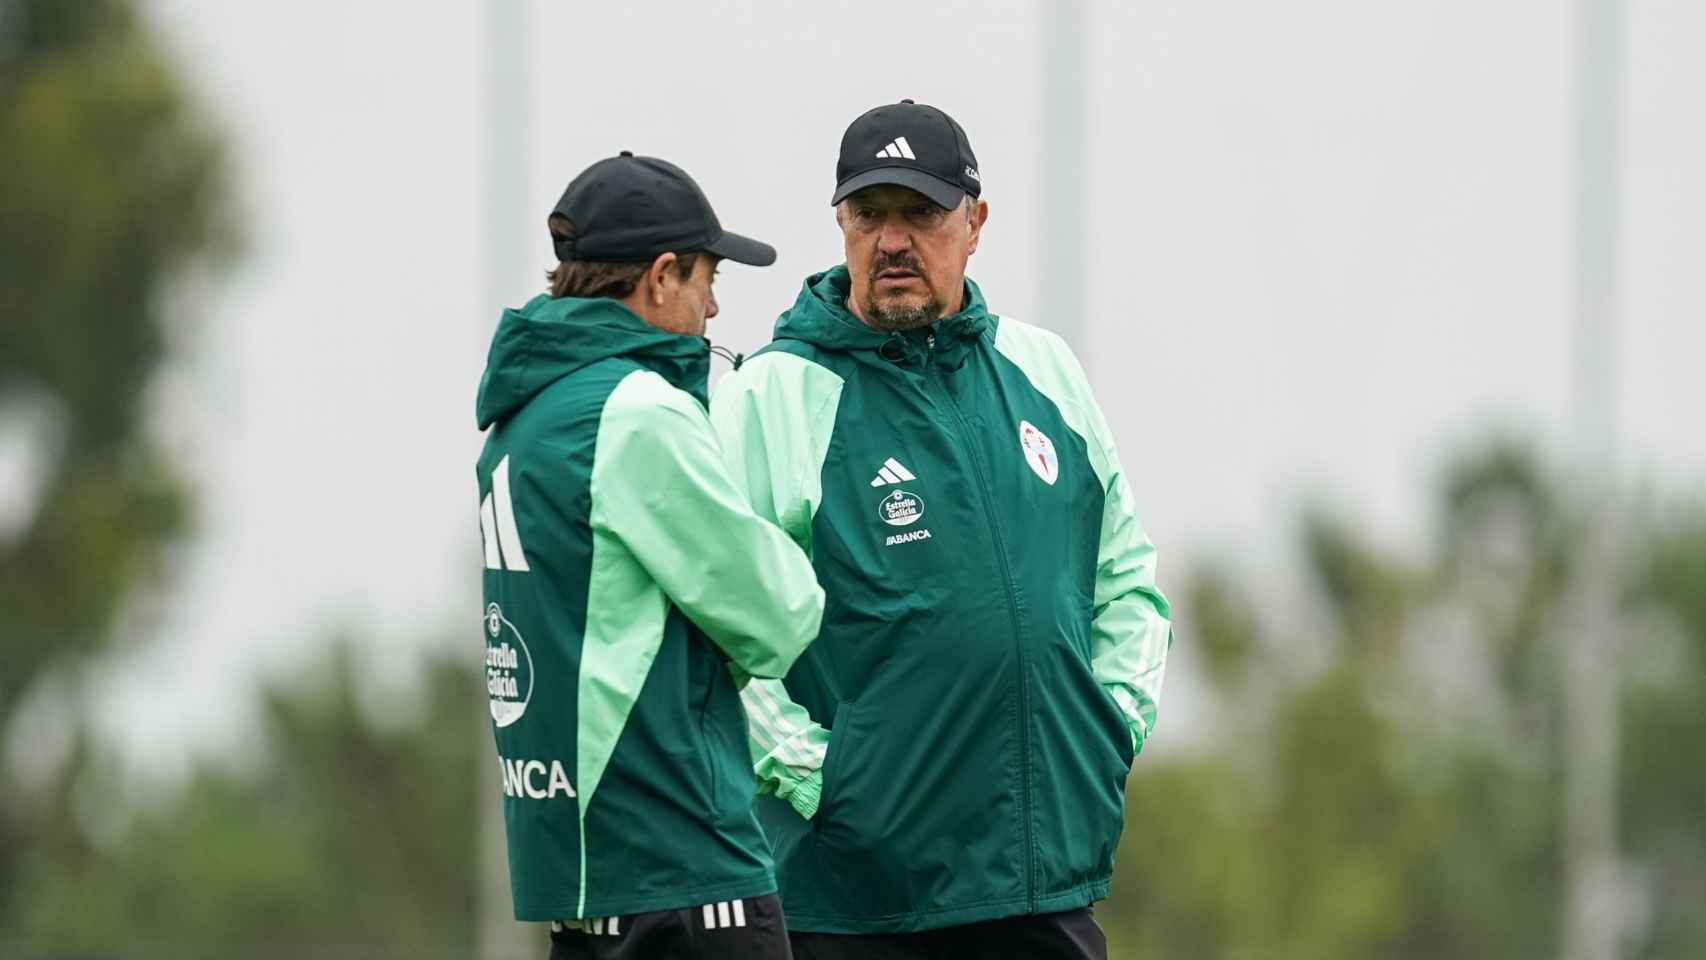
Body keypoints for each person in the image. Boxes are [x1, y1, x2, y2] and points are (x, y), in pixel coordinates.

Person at [710, 100, 1174, 960]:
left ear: (974, 223)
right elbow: (714, 635)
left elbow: (1129, 582)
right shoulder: (770, 397)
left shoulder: (1046, 372)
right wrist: (829, 781)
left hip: (1043, 891)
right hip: (854, 908)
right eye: (869, 215)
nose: (892, 240)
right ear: (841, 223)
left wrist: (1109, 729)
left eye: (920, 213)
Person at [475, 151, 823, 960]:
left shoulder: (518, 422)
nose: (715, 303)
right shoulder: (639, 413)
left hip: (583, 896)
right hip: (688, 883)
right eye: (706, 276)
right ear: (662, 277)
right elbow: (782, 618)